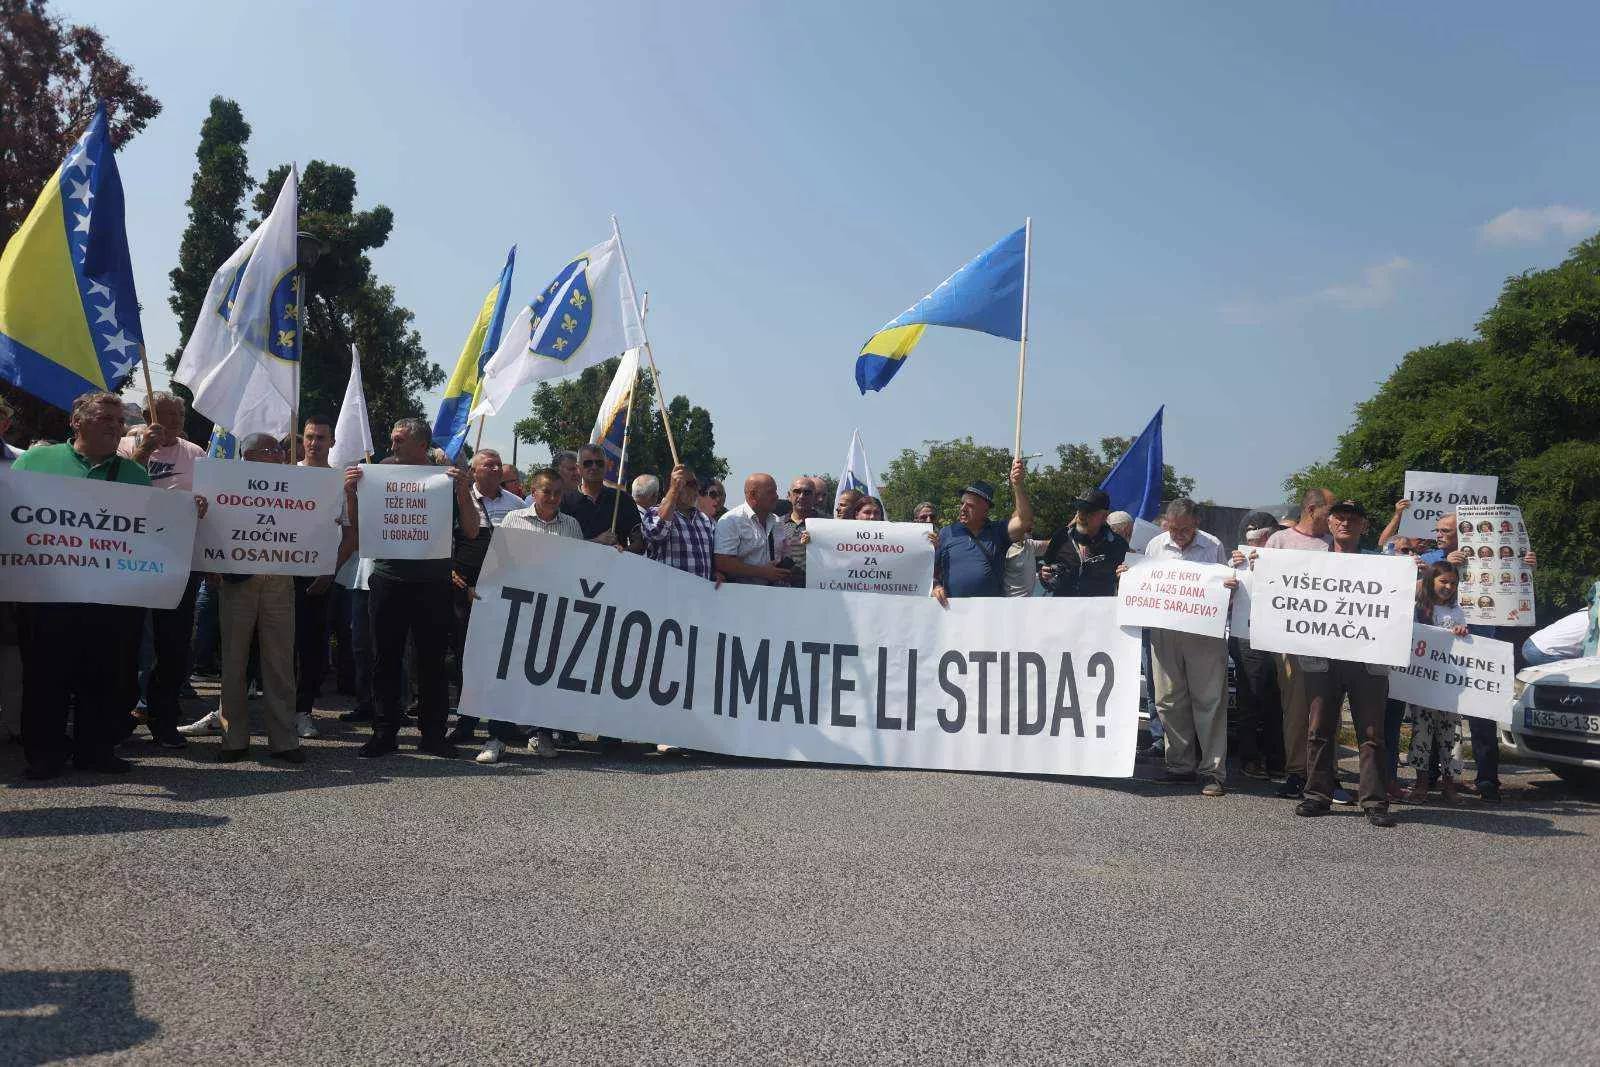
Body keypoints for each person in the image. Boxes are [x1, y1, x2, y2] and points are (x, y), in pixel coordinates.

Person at [14, 392, 192, 779]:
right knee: (46, 676)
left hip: (112, 599)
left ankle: (95, 750)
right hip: (50, 596)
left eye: (118, 420)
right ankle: (45, 755)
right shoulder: (34, 462)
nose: (115, 426)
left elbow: (148, 532)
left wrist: (185, 517)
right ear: (77, 422)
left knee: (107, 675)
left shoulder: (134, 474)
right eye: (105, 418)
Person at [346, 418, 477, 759]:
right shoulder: (378, 477)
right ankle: (384, 732)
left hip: (433, 584)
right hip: (388, 580)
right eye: (392, 440)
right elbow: (359, 530)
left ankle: (433, 734)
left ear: (421, 445)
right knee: (385, 659)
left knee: (431, 661)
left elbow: (471, 530)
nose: (392, 446)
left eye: (399, 440)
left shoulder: (444, 481)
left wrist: (463, 491)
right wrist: (351, 494)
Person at [1294, 500, 1397, 827]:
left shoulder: (1382, 565)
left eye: (1353, 519)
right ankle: (1317, 795)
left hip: (1368, 658)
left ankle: (1374, 801)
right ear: (1330, 522)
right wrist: (1250, 564)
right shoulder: (1309, 562)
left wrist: (1416, 573)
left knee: (1372, 732)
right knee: (1319, 728)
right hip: (1322, 657)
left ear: (1364, 525)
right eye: (1339, 517)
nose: (1345, 523)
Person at [470, 467, 582, 764]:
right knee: (505, 674)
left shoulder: (571, 525)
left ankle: (541, 734)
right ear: (533, 492)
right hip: (516, 610)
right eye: (547, 492)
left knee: (544, 674)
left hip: (553, 612)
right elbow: (498, 562)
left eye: (557, 493)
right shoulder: (513, 519)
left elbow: (579, 568)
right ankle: (497, 738)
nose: (553, 498)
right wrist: (485, 590)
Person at [117, 390, 206, 749]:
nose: (175, 423)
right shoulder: (124, 447)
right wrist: (145, 450)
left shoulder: (195, 453)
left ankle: (164, 718)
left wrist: (203, 504)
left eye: (179, 418)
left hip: (178, 563)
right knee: (126, 642)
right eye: (167, 416)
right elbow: (116, 489)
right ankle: (119, 718)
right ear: (147, 416)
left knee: (173, 646)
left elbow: (212, 500)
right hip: (129, 562)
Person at [210, 434, 305, 763]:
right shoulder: (225, 482)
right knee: (233, 661)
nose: (279, 454)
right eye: (271, 450)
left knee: (280, 662)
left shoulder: (295, 483)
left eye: (278, 450)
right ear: (248, 455)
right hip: (238, 580)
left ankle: (284, 739)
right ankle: (233, 739)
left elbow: (311, 521)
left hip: (279, 578)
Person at [1138, 499, 1237, 796]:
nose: (1178, 535)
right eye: (1173, 529)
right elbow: (1145, 581)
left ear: (1196, 522)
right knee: (1168, 699)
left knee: (1209, 701)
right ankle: (1179, 766)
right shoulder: (1155, 545)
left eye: (1184, 529)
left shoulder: (1212, 545)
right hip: (1165, 631)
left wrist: (1230, 587)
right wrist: (1128, 577)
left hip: (1204, 632)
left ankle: (1212, 772)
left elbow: (1225, 586)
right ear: (1165, 523)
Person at [1251, 487, 1333, 800]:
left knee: (1326, 708)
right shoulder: (1280, 541)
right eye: (1330, 510)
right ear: (1312, 509)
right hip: (1290, 640)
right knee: (1296, 708)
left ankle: (1324, 773)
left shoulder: (1332, 543)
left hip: (1327, 639)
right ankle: (1297, 771)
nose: (1334, 517)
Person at [445, 449, 526, 745]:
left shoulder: (516, 504)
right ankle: (466, 721)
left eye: (497, 464)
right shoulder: (459, 500)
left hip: (503, 590)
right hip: (465, 589)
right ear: (473, 471)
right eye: (488, 464)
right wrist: (449, 571)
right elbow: (442, 538)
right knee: (467, 656)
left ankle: (502, 723)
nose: (494, 468)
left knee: (502, 656)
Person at [291, 414, 356, 740]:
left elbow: (351, 535)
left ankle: (303, 711)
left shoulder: (339, 483)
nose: (314, 443)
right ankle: (276, 709)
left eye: (320, 438)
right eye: (309, 436)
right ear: (301, 439)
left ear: (332, 442)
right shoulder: (286, 474)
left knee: (311, 648)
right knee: (275, 646)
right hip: (281, 575)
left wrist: (330, 572)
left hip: (319, 579)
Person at [1405, 562, 1471, 803]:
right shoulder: (1418, 608)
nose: (1448, 587)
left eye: (1453, 583)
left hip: (1450, 685)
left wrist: (1463, 631)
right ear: (1431, 581)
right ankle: (1421, 783)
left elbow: (1465, 642)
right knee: (1421, 732)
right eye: (1443, 581)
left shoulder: (1457, 611)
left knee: (1450, 734)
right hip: (1424, 683)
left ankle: (1449, 785)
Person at [1229, 511, 1285, 781]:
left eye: (1261, 538)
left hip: (1281, 638)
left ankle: (1277, 759)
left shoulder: (1287, 558)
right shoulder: (1236, 562)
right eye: (1251, 539)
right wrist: (1234, 570)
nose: (1255, 544)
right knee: (1250, 699)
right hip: (1246, 637)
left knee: (1277, 701)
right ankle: (1250, 758)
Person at [932, 459, 1033, 605]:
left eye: (970, 505)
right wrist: (936, 586)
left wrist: (1018, 485)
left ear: (985, 510)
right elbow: (932, 571)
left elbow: (1025, 520)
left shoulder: (998, 531)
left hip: (989, 612)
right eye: (962, 504)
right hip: (953, 612)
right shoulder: (947, 533)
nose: (963, 509)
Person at [1042, 488, 1129, 599]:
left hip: (1099, 609)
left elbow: (1128, 586)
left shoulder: (1118, 545)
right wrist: (1044, 576)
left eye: (1089, 512)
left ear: (1104, 516)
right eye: (1079, 509)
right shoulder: (1061, 537)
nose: (1082, 515)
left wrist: (1125, 578)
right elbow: (1046, 574)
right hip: (1062, 608)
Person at [641, 465, 720, 582]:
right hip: (668, 590)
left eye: (697, 485)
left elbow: (715, 557)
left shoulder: (707, 521)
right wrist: (674, 490)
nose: (697, 490)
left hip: (700, 592)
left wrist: (716, 572)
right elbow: (657, 533)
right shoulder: (653, 513)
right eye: (691, 484)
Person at [715, 473, 793, 586]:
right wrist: (762, 573)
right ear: (753, 495)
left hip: (776, 592)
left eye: (775, 491)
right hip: (743, 593)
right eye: (770, 492)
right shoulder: (731, 521)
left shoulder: (776, 521)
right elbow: (723, 562)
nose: (776, 496)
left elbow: (784, 554)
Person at [562, 442, 643, 551]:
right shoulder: (565, 501)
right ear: (578, 467)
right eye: (588, 463)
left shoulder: (623, 500)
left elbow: (640, 542)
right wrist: (598, 541)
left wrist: (623, 553)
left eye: (599, 463)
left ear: (606, 466)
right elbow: (562, 544)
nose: (594, 467)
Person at [777, 477, 817, 587]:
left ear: (814, 497)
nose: (802, 496)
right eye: (797, 491)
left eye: (807, 493)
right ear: (789, 496)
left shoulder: (825, 524)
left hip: (813, 588)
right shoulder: (776, 524)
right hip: (781, 588)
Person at [1523, 609, 1590, 666]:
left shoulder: (1586, 610)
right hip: (1543, 651)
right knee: (1579, 671)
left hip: (1532, 641)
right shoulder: (1592, 623)